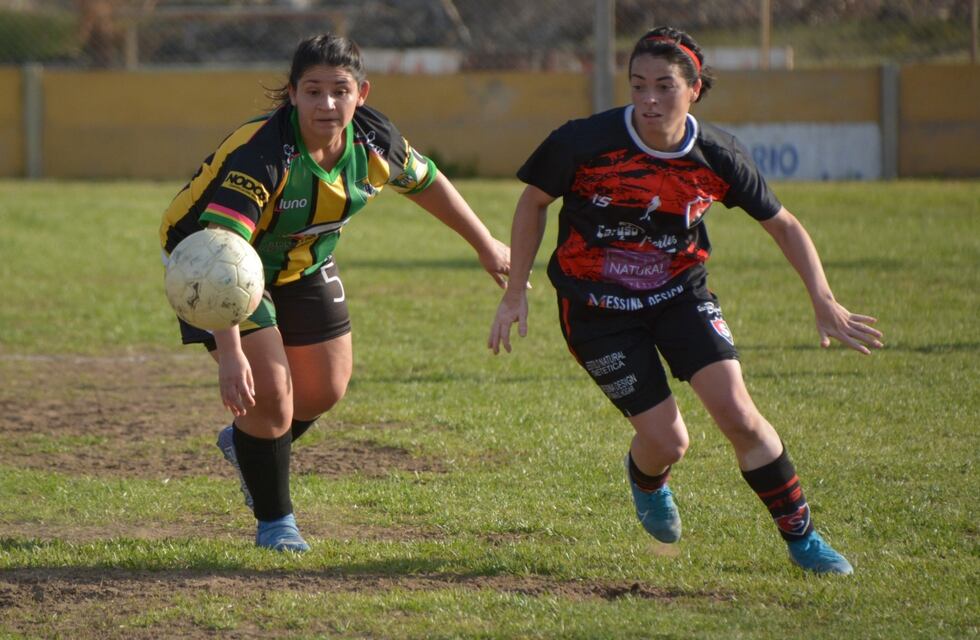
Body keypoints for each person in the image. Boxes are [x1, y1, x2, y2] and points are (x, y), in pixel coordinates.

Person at [488, 26, 883, 574]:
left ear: (694, 88)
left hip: (680, 295)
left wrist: (823, 299)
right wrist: (515, 294)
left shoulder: (717, 155)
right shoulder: (583, 142)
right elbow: (532, 204)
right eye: (638, 85)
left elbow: (783, 223)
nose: (650, 99)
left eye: (665, 86)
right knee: (669, 442)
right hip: (596, 310)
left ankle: (804, 538)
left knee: (740, 416)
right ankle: (648, 482)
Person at [160, 33, 510, 552]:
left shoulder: (373, 139)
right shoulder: (264, 154)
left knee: (323, 389)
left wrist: (484, 244)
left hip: (302, 261)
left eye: (340, 91)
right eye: (314, 91)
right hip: (212, 263)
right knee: (272, 392)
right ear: (292, 94)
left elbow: (426, 181)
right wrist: (231, 353)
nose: (328, 104)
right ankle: (276, 524)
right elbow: (221, 258)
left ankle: (249, 444)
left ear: (361, 93)